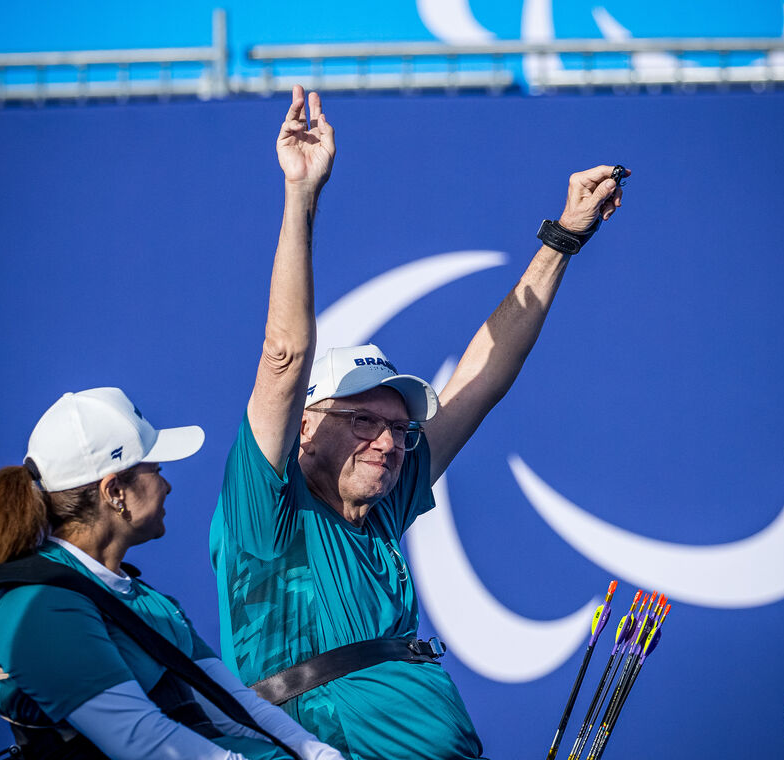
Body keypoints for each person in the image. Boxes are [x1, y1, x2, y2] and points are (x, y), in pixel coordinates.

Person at [209, 85, 627, 760]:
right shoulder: (268, 511)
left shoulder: (380, 505)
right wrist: (302, 195)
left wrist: (564, 238)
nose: (388, 441)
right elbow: (285, 358)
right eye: (362, 419)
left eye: (400, 428)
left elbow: (482, 379)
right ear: (304, 428)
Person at [0, 386, 346, 760]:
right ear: (114, 491)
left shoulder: (149, 602)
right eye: (156, 470)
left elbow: (236, 707)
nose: (167, 485)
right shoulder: (40, 607)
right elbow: (144, 743)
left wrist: (318, 755)